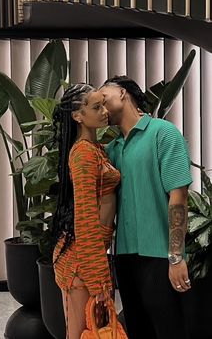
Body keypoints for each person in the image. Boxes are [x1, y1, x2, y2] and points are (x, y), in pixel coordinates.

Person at [99, 75, 193, 339]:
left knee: (169, 330)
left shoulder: (163, 133)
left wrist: (176, 256)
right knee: (137, 330)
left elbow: (179, 197)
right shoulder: (112, 150)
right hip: (125, 257)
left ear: (122, 92)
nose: (101, 105)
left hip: (160, 256)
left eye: (103, 96)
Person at [52, 83, 121, 339]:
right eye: (96, 107)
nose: (104, 111)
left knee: (95, 331)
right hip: (80, 263)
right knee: (84, 334)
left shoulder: (96, 149)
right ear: (78, 116)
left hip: (91, 258)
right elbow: (85, 219)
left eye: (103, 104)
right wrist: (97, 279)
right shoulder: (82, 154)